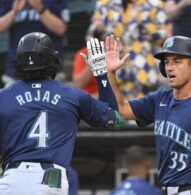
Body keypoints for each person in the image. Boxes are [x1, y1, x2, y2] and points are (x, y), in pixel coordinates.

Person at [85, 35, 191, 195]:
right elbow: (120, 112)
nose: (169, 67)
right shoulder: (161, 98)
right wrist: (108, 74)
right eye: (166, 62)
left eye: (177, 61)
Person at [0, 32, 125, 195]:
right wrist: (101, 73)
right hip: (49, 181)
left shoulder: (3, 96)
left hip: (10, 181)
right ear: (53, 61)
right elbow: (116, 120)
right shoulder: (72, 95)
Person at [87, 0, 168, 99]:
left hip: (145, 72)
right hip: (116, 72)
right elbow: (90, 37)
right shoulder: (106, 3)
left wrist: (141, 24)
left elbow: (163, 36)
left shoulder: (154, 4)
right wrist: (98, 30)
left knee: (145, 111)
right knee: (117, 111)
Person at [0, 0, 70, 86]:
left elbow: (60, 29)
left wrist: (40, 8)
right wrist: (14, 11)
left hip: (50, 72)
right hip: (17, 71)